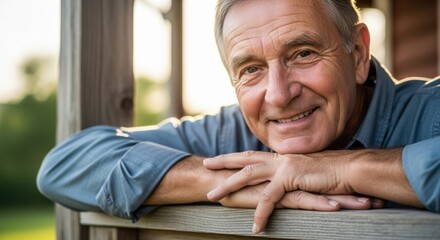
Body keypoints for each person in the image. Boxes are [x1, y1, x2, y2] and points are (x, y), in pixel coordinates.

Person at [37, 0, 440, 234]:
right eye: (250, 69)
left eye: (303, 54)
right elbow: (66, 165)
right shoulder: (235, 136)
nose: (279, 95)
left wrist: (342, 168)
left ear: (357, 54)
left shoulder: (430, 110)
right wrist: (226, 182)